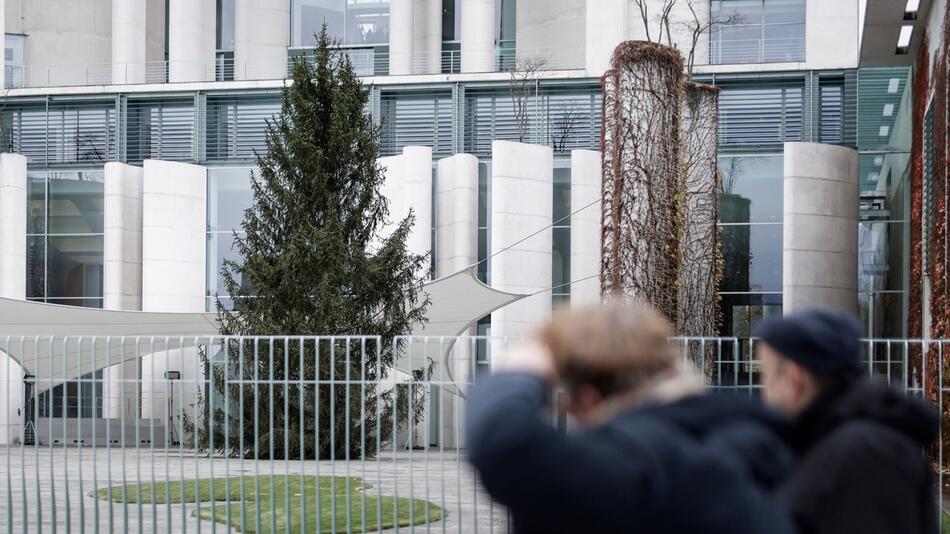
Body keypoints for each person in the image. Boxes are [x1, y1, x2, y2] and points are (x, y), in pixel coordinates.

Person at [466, 302, 796, 534]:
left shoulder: (645, 458)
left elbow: (504, 443)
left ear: (589, 398)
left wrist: (524, 366)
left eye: (566, 402)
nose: (566, 413)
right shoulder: (735, 437)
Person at [754, 309, 939, 534]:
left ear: (794, 379)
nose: (764, 390)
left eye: (766, 375)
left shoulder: (864, 454)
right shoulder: (833, 442)